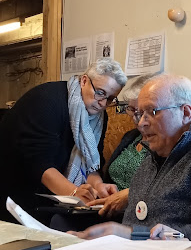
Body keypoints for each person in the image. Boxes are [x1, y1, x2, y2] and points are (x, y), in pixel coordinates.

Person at [72, 73, 191, 243]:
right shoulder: (153, 157)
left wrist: (135, 234)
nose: (141, 123)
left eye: (152, 112)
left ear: (186, 112)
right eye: (139, 114)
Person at [0, 59, 126, 223]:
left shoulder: (99, 117)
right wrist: (74, 193)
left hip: (48, 194)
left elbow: (91, 163)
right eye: (100, 92)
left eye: (110, 99)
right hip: (14, 186)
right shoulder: (47, 100)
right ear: (84, 81)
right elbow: (38, 163)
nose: (103, 103)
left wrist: (98, 187)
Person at [88, 74, 156, 218]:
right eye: (131, 110)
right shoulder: (131, 137)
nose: (136, 119)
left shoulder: (163, 144)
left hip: (137, 213)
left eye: (141, 112)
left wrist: (128, 197)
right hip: (109, 208)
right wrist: (101, 188)